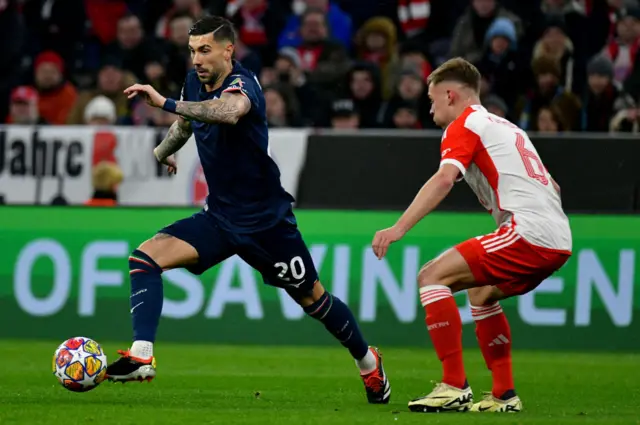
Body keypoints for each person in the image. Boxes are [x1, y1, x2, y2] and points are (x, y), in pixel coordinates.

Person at [105, 16, 390, 405]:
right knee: (144, 258)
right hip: (220, 218)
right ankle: (142, 354)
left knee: (314, 301)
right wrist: (164, 151)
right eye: (192, 51)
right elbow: (190, 121)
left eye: (205, 50)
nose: (197, 59)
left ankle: (368, 361)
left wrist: (165, 102)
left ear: (228, 50)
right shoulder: (194, 82)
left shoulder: (245, 85)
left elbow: (227, 112)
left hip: (267, 223)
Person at [372, 57, 572, 413]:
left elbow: (444, 178)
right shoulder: (508, 127)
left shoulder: (464, 124)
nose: (430, 107)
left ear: (451, 95)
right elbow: (552, 184)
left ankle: (453, 385)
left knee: (431, 276)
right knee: (481, 295)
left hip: (528, 231)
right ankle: (504, 395)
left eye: (432, 99)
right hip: (557, 237)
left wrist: (397, 228)